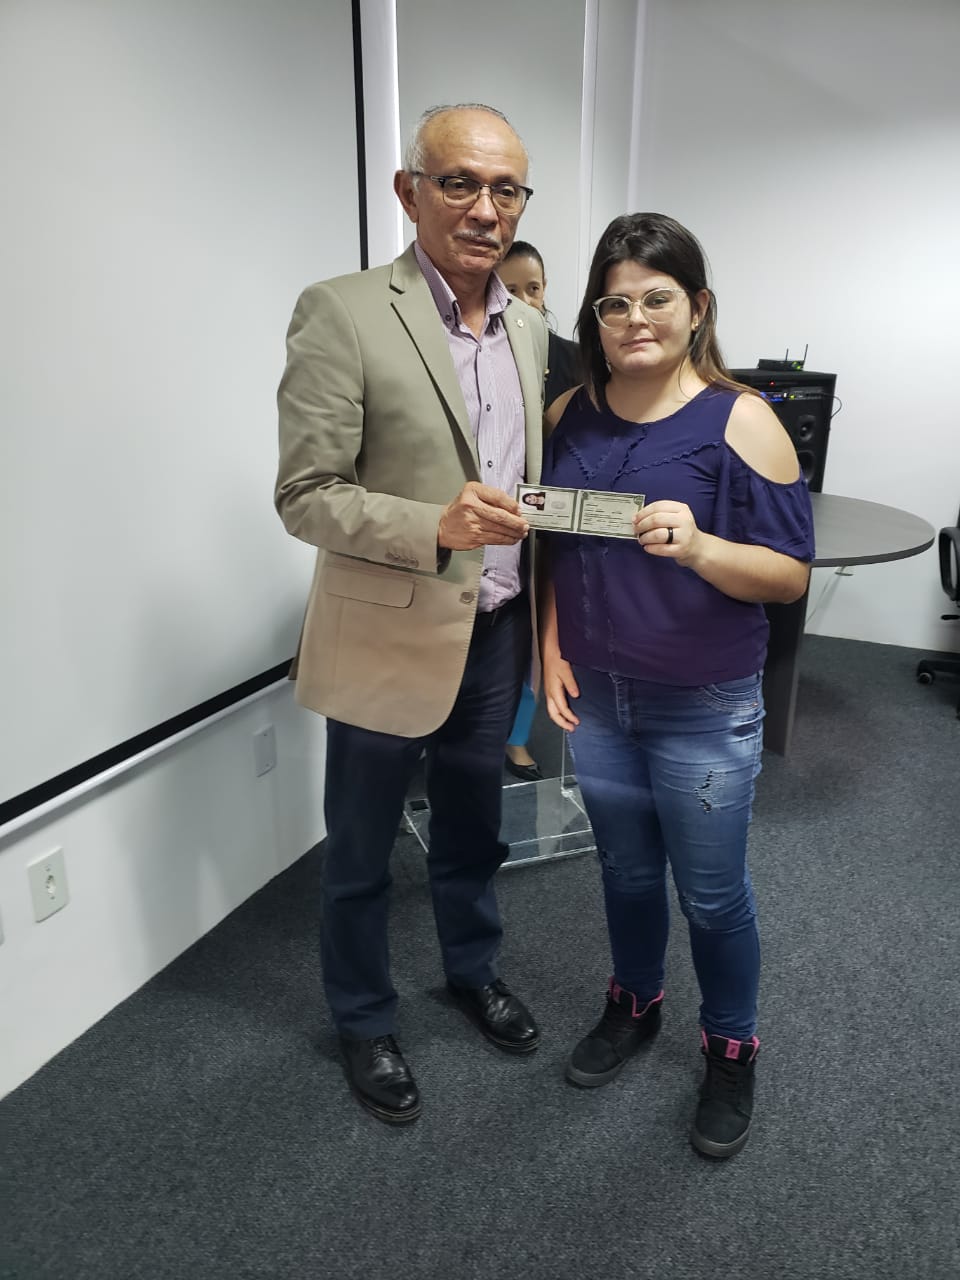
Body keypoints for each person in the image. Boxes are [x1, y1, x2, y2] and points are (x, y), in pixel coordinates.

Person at [275, 104, 549, 1125]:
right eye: (459, 183)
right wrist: (433, 524)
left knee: (475, 830)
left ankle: (472, 971)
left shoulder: (531, 328)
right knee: (359, 853)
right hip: (387, 629)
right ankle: (362, 1018)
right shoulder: (343, 311)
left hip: (496, 631)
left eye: (506, 189)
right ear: (410, 191)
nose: (484, 209)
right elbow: (306, 494)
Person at [539, 212, 814, 1158]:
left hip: (701, 703)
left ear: (697, 308)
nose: (635, 320)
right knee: (622, 871)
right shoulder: (568, 415)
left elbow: (790, 576)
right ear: (596, 318)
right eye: (614, 304)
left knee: (711, 894)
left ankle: (731, 1047)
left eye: (656, 299)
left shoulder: (742, 419)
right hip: (599, 697)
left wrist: (700, 548)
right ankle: (636, 1002)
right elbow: (553, 546)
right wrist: (550, 649)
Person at [497, 240, 584, 781]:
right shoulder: (485, 352)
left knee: (538, 637)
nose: (525, 299)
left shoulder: (574, 357)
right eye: (511, 289)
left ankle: (517, 739)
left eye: (533, 288)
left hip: (556, 511)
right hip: (498, 514)